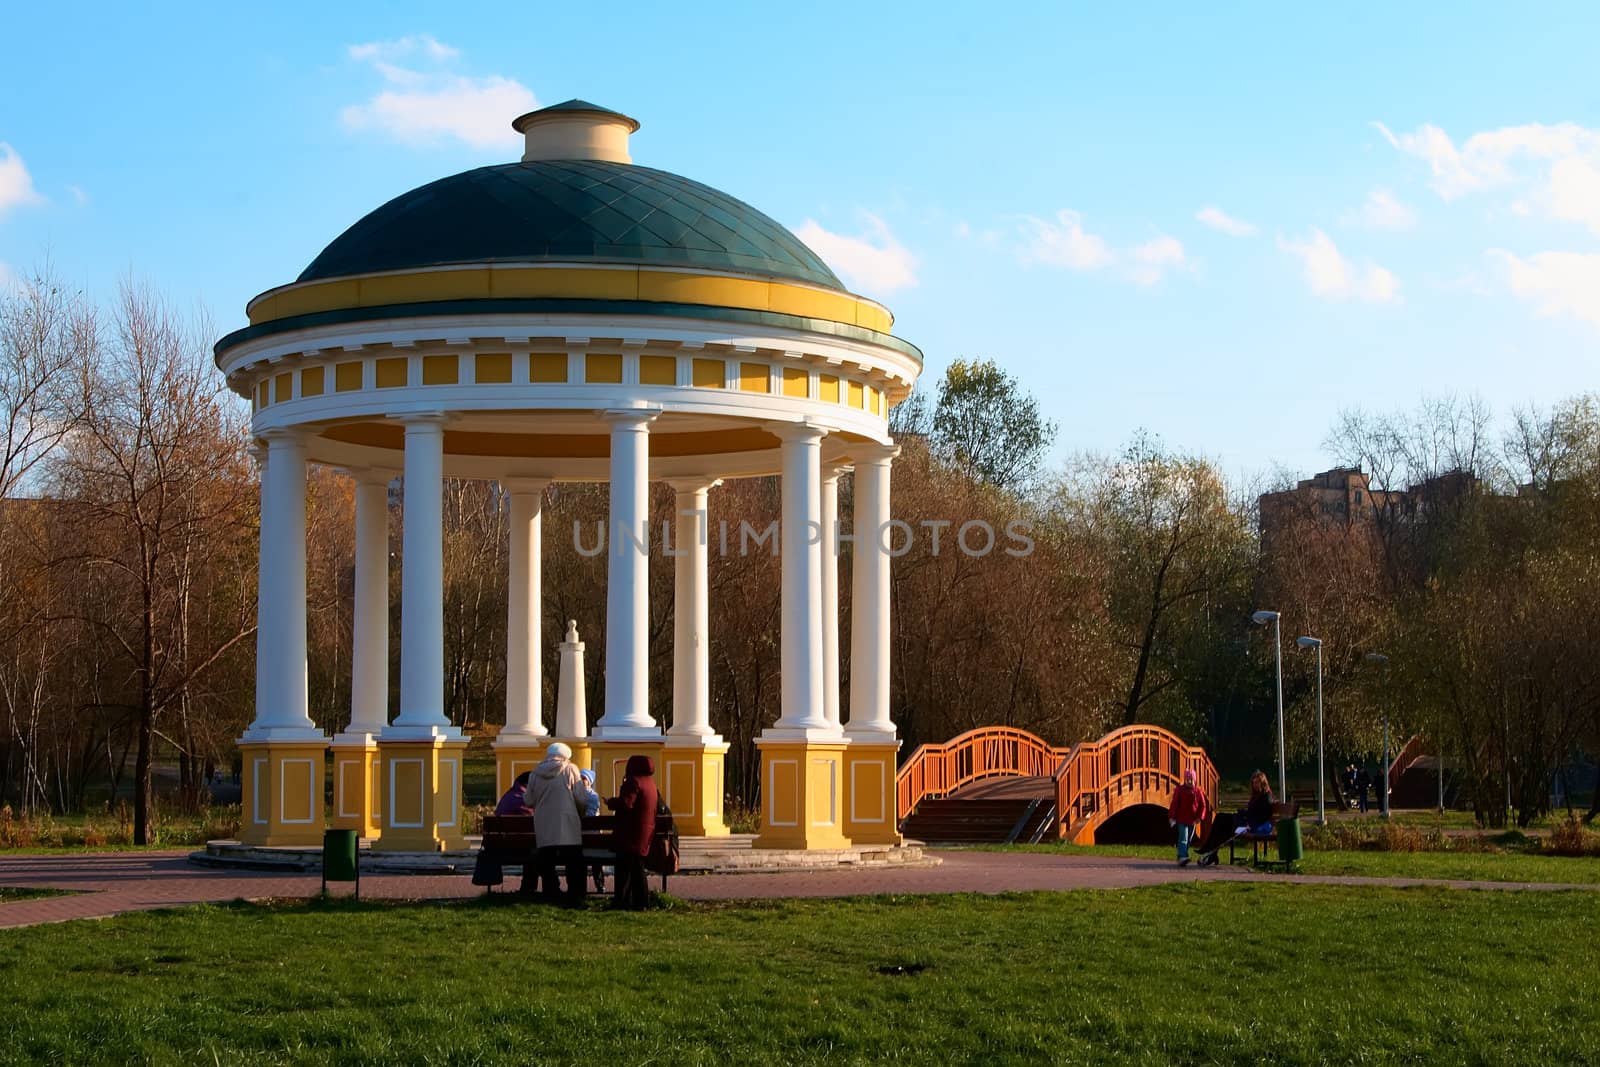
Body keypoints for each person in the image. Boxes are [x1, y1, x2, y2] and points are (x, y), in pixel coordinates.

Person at [527, 742, 598, 906]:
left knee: (547, 860)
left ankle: (551, 892)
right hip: (567, 822)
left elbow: (528, 800)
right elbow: (581, 797)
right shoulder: (570, 769)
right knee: (573, 860)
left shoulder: (535, 773)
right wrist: (581, 811)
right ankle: (576, 894)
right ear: (566, 755)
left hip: (544, 823)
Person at [608, 754, 658, 909]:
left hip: (630, 833)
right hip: (644, 831)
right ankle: (641, 902)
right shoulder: (650, 783)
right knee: (637, 868)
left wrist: (611, 802)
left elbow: (626, 803)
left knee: (626, 869)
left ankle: (623, 901)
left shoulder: (634, 782)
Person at [1166, 767, 1208, 867]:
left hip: (1192, 820)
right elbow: (1174, 804)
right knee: (1183, 838)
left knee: (1189, 838)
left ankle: (1183, 855)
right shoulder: (1180, 790)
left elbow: (1203, 805)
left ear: (1195, 780)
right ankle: (1182, 856)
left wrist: (1200, 817)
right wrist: (1172, 817)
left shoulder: (1198, 791)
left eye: (1191, 779)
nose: (1189, 781)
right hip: (1182, 819)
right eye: (1187, 779)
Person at [579, 768, 605, 893]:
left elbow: (590, 818)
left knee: (591, 860)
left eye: (584, 779)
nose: (581, 781)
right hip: (589, 837)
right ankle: (595, 884)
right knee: (594, 860)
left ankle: (599, 884)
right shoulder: (592, 796)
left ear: (589, 782)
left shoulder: (591, 796)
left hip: (589, 837)